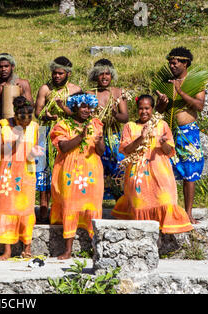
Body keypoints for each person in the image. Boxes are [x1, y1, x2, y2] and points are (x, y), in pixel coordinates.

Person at [112, 95, 193, 234]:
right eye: (141, 108)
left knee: (166, 199)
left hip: (160, 172)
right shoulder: (130, 127)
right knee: (140, 204)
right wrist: (141, 138)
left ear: (152, 108)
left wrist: (162, 143)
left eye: (147, 108)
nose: (144, 112)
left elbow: (169, 151)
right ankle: (142, 237)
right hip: (138, 174)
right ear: (136, 110)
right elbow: (126, 150)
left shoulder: (162, 125)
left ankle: (163, 234)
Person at [0, 96, 42, 260]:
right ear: (15, 114)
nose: (26, 121)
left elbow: (32, 149)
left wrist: (35, 152)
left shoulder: (34, 126)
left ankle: (27, 246)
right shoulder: (2, 125)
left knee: (26, 209)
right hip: (7, 171)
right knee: (6, 208)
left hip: (27, 173)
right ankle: (7, 250)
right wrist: (17, 140)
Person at [155, 47, 207, 224]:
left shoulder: (196, 82)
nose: (172, 65)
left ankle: (188, 213)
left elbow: (199, 106)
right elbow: (158, 110)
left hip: (188, 132)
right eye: (170, 62)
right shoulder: (166, 82)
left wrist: (181, 91)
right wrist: (162, 103)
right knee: (165, 170)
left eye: (176, 61)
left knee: (189, 172)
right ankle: (166, 211)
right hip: (168, 131)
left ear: (186, 63)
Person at [50, 93, 104, 260]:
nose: (87, 110)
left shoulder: (96, 124)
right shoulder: (63, 125)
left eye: (89, 107)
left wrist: (100, 141)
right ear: (74, 107)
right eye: (83, 106)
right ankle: (68, 250)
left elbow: (101, 151)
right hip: (70, 173)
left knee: (93, 207)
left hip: (92, 172)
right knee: (70, 207)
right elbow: (64, 147)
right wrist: (81, 136)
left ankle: (96, 248)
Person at [0, 53, 33, 207]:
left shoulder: (22, 83)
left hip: (17, 128)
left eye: (6, 66)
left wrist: (21, 95)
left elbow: (31, 108)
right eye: (0, 67)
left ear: (12, 67)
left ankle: (15, 197)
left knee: (17, 163)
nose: (3, 69)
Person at [34, 56, 82, 223]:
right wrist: (45, 116)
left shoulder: (76, 90)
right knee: (44, 169)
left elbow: (79, 114)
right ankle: (43, 208)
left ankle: (62, 207)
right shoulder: (45, 89)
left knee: (63, 169)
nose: (56, 76)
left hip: (66, 133)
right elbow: (37, 112)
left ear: (68, 74)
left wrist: (63, 108)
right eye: (54, 73)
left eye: (60, 74)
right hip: (46, 131)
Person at [86, 58, 129, 200]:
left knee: (118, 172)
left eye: (107, 74)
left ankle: (120, 204)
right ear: (95, 76)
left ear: (112, 75)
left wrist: (114, 114)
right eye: (100, 74)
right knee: (96, 170)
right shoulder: (90, 94)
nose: (104, 77)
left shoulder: (118, 92)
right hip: (96, 138)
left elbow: (125, 117)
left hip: (114, 137)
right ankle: (96, 203)